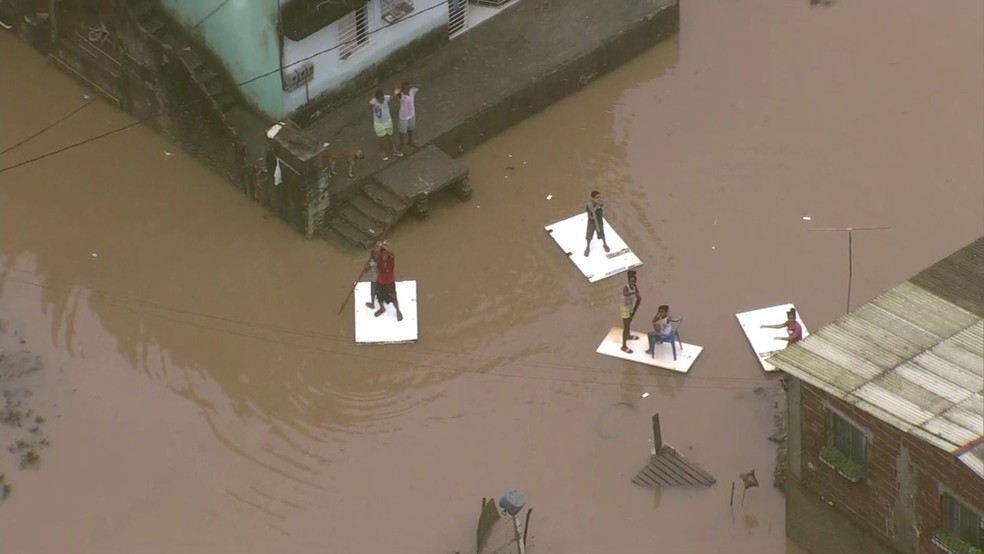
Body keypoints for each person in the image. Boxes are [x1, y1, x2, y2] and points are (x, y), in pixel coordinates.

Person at [370, 240, 403, 321]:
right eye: (383, 253)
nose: (384, 255)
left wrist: (384, 246)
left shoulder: (391, 259)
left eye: (386, 253)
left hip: (389, 282)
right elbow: (374, 253)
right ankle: (382, 308)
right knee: (380, 298)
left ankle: (398, 311)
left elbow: (391, 252)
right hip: (380, 282)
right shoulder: (378, 259)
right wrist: (380, 246)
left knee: (393, 298)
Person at [369, 89, 403, 161]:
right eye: (380, 99)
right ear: (377, 98)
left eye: (382, 98)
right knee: (381, 138)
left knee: (390, 135)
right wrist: (371, 104)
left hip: (388, 121)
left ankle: (394, 150)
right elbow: (370, 107)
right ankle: (381, 152)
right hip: (379, 123)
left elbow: (392, 98)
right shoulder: (374, 102)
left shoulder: (385, 98)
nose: (382, 100)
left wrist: (395, 93)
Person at [394, 81, 420, 151]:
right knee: (402, 132)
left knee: (410, 129)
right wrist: (400, 89)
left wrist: (411, 85)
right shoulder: (401, 95)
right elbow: (395, 93)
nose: (406, 90)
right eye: (404, 89)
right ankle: (401, 144)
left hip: (411, 114)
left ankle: (410, 141)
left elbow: (420, 86)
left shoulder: (412, 92)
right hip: (403, 116)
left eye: (407, 88)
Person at [619, 270, 642, 353]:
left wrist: (638, 300)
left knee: (629, 322)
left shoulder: (634, 286)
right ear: (628, 281)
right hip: (624, 308)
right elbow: (625, 293)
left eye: (634, 281)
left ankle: (628, 336)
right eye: (631, 281)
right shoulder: (626, 287)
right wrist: (633, 292)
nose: (633, 282)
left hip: (630, 306)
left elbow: (638, 294)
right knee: (626, 326)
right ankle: (624, 346)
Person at [584, 190, 611, 257]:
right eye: (596, 197)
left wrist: (596, 202)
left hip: (599, 221)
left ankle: (605, 244)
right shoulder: (589, 205)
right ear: (592, 198)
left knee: (601, 233)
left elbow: (602, 204)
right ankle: (587, 248)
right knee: (589, 235)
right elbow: (589, 215)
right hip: (592, 222)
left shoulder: (599, 203)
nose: (598, 198)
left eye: (599, 197)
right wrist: (593, 218)